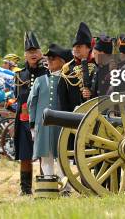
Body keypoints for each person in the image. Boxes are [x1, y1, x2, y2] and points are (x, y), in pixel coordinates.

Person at [28, 43, 72, 177]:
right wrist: (32, 125)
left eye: (53, 58)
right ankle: (48, 184)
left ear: (62, 61)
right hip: (43, 124)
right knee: (45, 157)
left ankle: (66, 187)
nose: (49, 61)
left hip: (62, 124)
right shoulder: (40, 80)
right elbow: (32, 103)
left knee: (62, 156)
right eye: (48, 59)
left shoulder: (68, 80)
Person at [13, 31, 48, 196]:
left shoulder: (47, 73)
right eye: (29, 52)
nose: (33, 54)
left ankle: (44, 186)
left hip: (42, 120)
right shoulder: (19, 75)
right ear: (25, 55)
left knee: (43, 155)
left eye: (35, 51)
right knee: (25, 156)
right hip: (24, 120)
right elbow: (17, 97)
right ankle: (25, 189)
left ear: (41, 53)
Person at [58, 22, 95, 113]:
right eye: (74, 46)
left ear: (88, 48)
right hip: (73, 116)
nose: (75, 49)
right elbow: (62, 97)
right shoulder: (67, 69)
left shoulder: (98, 65)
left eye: (79, 46)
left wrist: (92, 93)